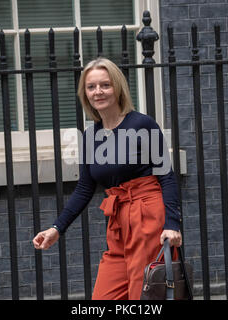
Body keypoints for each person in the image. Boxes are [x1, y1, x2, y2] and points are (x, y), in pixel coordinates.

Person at [32, 57, 182, 300]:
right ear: (85, 93)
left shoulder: (142, 124)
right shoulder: (91, 136)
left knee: (143, 296)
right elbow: (84, 188)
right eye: (91, 87)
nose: (98, 92)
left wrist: (173, 224)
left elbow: (166, 176)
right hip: (118, 223)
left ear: (118, 88)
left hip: (147, 217)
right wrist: (57, 228)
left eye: (105, 85)